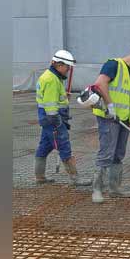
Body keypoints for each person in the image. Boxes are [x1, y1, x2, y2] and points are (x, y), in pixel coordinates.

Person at [89, 42, 130, 203]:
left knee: (118, 154)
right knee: (106, 153)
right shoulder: (113, 65)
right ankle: (97, 189)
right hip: (108, 118)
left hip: (123, 119)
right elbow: (100, 83)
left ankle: (115, 188)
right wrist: (109, 104)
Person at [34, 49, 90, 186]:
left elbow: (52, 99)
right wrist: (58, 123)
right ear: (59, 65)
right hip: (53, 120)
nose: (68, 70)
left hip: (47, 119)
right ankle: (75, 178)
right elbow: (51, 106)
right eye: (67, 67)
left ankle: (39, 177)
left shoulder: (49, 77)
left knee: (44, 146)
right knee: (64, 146)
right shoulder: (52, 80)